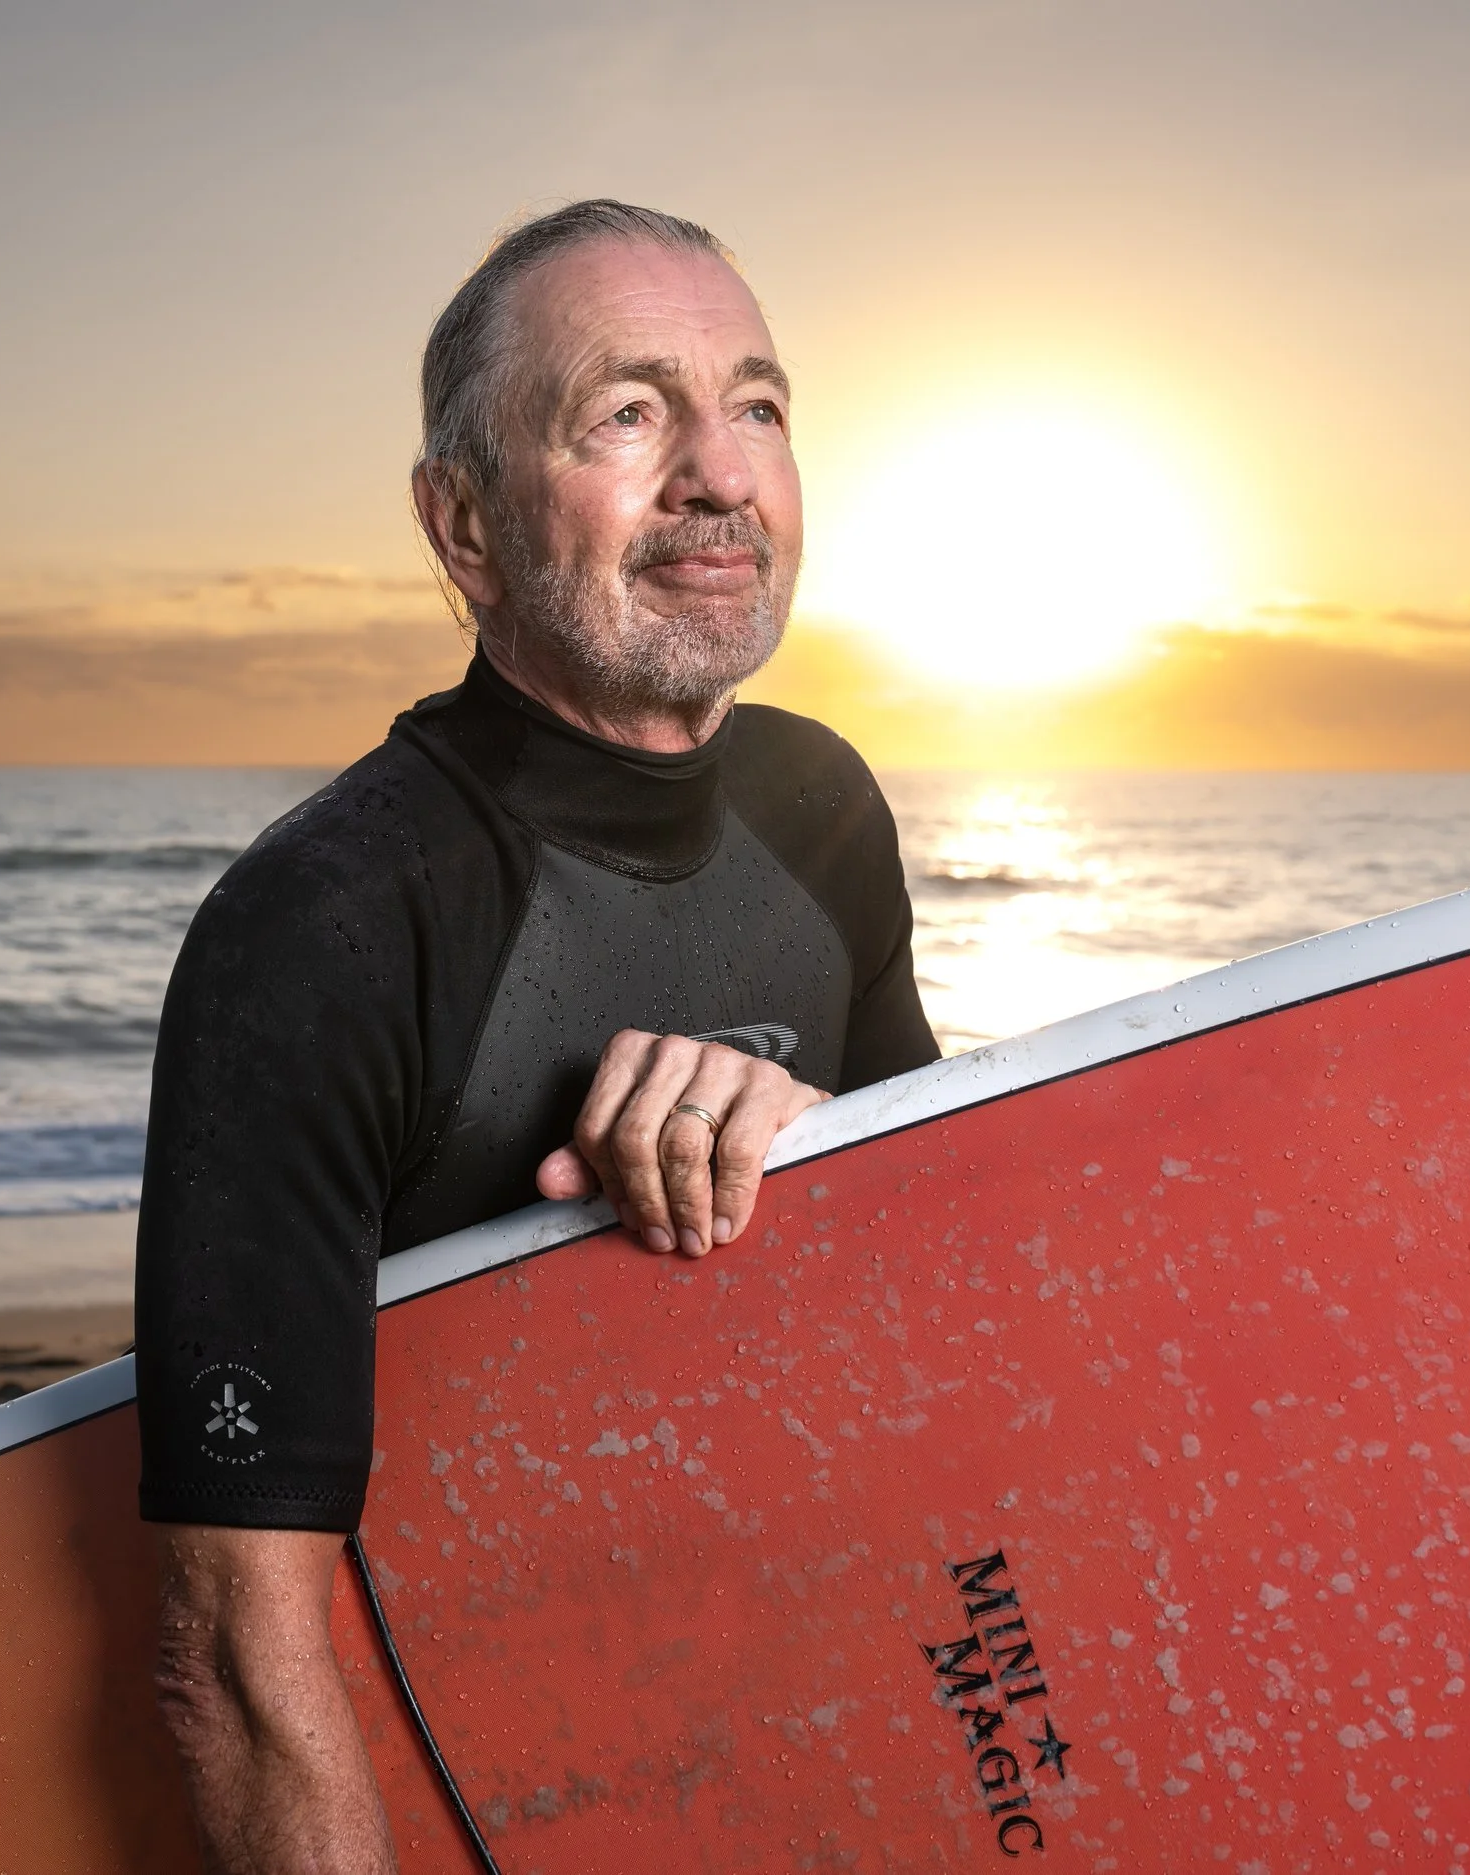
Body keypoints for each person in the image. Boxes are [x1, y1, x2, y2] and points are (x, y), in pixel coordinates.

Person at [134, 199, 938, 1873]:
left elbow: (941, 1309)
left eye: (758, 407)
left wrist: (799, 1123)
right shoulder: (327, 927)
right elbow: (232, 1662)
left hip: (784, 1705)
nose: (718, 473)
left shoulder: (826, 812)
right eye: (629, 414)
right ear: (465, 522)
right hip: (475, 1752)